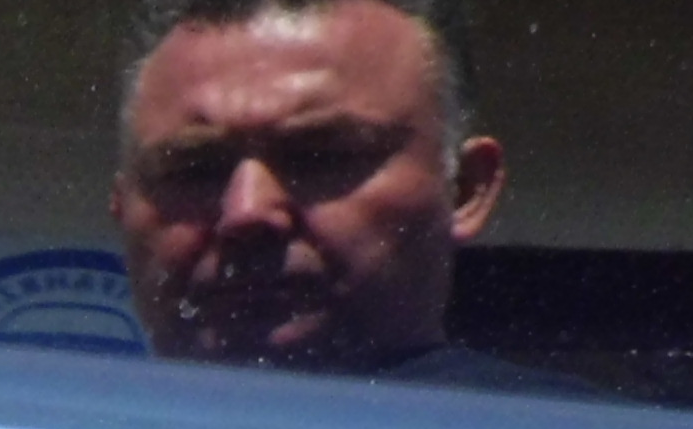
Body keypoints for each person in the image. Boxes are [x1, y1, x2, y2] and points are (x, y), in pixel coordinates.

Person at [111, 0, 508, 378]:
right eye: (194, 171)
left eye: (322, 158)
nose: (247, 211)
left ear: (463, 189)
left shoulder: (533, 425)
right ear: (122, 206)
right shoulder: (79, 420)